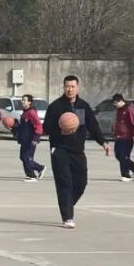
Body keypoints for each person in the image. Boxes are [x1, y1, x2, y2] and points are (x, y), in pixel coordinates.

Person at [43, 75, 109, 229]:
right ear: (63, 87)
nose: (70, 89)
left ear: (77, 87)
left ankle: (67, 205)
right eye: (67, 86)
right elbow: (46, 128)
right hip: (59, 149)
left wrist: (103, 142)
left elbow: (93, 126)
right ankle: (68, 217)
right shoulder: (56, 106)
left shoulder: (83, 106)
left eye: (72, 86)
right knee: (64, 183)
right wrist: (60, 129)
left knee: (81, 182)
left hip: (78, 150)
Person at [111, 93, 134, 182]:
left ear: (121, 101)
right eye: (114, 103)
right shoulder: (119, 110)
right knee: (118, 155)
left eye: (116, 103)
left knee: (124, 156)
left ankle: (126, 175)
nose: (115, 105)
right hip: (119, 136)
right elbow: (118, 123)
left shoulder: (129, 109)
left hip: (127, 137)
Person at [16, 93, 45, 182]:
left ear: (29, 102)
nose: (22, 101)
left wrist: (36, 138)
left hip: (31, 140)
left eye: (25, 100)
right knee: (22, 157)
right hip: (24, 139)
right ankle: (33, 172)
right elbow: (23, 127)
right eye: (22, 100)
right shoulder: (25, 112)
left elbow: (38, 125)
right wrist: (14, 127)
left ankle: (34, 174)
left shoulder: (31, 112)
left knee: (26, 157)